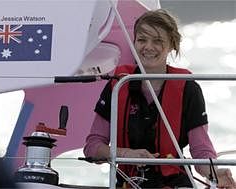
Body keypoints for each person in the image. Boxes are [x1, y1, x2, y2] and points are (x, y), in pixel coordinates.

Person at [84, 9, 236, 188]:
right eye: (142, 40)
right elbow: (92, 147)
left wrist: (215, 172)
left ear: (172, 44)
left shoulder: (189, 89)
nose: (148, 47)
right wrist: (125, 153)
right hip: (128, 183)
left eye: (157, 41)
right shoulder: (118, 86)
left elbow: (201, 151)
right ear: (134, 42)